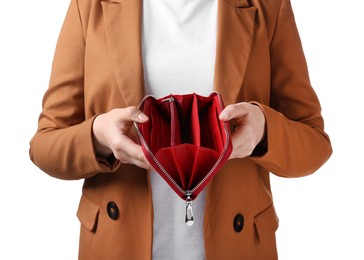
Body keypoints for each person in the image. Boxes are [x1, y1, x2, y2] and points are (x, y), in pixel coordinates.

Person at [29, 0, 332, 258]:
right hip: (116, 246)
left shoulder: (268, 5)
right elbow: (45, 145)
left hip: (237, 247)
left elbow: (315, 142)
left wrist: (264, 131)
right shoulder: (91, 5)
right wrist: (98, 136)